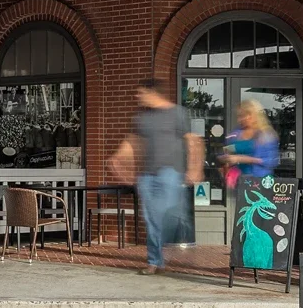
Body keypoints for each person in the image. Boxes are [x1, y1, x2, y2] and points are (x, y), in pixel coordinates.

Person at [109, 79, 201, 275]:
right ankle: (154, 261)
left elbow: (192, 142)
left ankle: (168, 244)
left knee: (168, 214)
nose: (137, 96)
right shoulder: (141, 118)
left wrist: (195, 168)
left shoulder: (177, 113)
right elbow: (132, 143)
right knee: (151, 219)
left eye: (141, 93)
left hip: (171, 172)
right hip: (146, 176)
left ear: (153, 93)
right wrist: (117, 158)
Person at [220, 99, 280, 184]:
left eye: (243, 116)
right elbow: (227, 150)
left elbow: (272, 161)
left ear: (254, 115)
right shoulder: (236, 134)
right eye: (239, 116)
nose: (240, 119)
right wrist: (224, 159)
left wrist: (244, 159)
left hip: (261, 182)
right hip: (241, 182)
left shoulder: (266, 134)